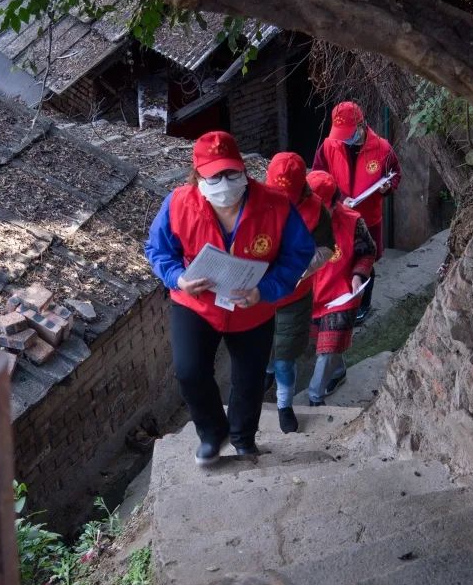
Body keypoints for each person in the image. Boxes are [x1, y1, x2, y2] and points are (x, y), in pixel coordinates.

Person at [145, 131, 315, 466]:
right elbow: (158, 250)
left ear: (243, 170)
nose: (224, 182)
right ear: (198, 176)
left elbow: (299, 254)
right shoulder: (179, 203)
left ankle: (243, 438)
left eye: (231, 173)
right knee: (189, 370)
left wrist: (265, 290)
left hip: (252, 306)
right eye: (215, 175)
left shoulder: (275, 205)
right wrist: (178, 278)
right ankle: (212, 433)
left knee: (249, 379)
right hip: (197, 303)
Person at [263, 152, 335, 433]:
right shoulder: (253, 201)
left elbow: (326, 249)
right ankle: (266, 373)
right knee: (263, 346)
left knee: (286, 355)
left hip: (294, 295)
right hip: (261, 294)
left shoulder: (316, 210)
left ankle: (284, 404)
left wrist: (297, 268)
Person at [311, 100, 401, 323]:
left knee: (366, 261)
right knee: (341, 261)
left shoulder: (382, 148)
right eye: (340, 134)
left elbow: (395, 174)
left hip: (368, 218)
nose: (344, 138)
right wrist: (339, 198)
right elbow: (318, 176)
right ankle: (343, 301)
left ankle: (363, 304)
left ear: (361, 125)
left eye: (349, 133)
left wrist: (388, 186)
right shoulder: (329, 146)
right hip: (339, 217)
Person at [305, 170, 377, 405]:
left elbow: (367, 252)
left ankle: (315, 397)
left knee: (326, 349)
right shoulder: (297, 219)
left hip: (341, 294)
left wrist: (358, 275)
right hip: (309, 294)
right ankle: (338, 373)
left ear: (334, 202)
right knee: (325, 344)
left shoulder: (353, 221)